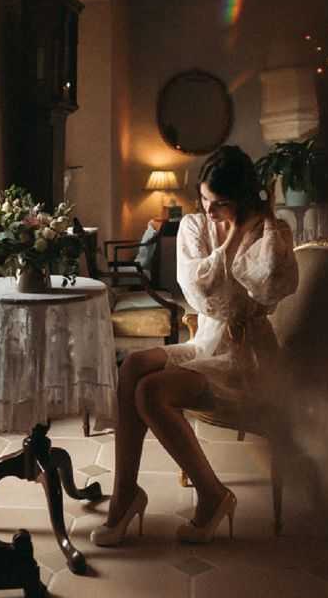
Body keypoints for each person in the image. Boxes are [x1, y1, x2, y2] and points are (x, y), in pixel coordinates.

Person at [91, 145, 298, 547]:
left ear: (242, 200)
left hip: (249, 356)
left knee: (150, 392)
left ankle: (212, 495)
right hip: (207, 339)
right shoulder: (192, 227)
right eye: (203, 199)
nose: (208, 210)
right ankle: (125, 495)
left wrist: (244, 228)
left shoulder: (274, 232)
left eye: (219, 204)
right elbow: (201, 293)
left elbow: (271, 286)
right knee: (132, 365)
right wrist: (232, 237)